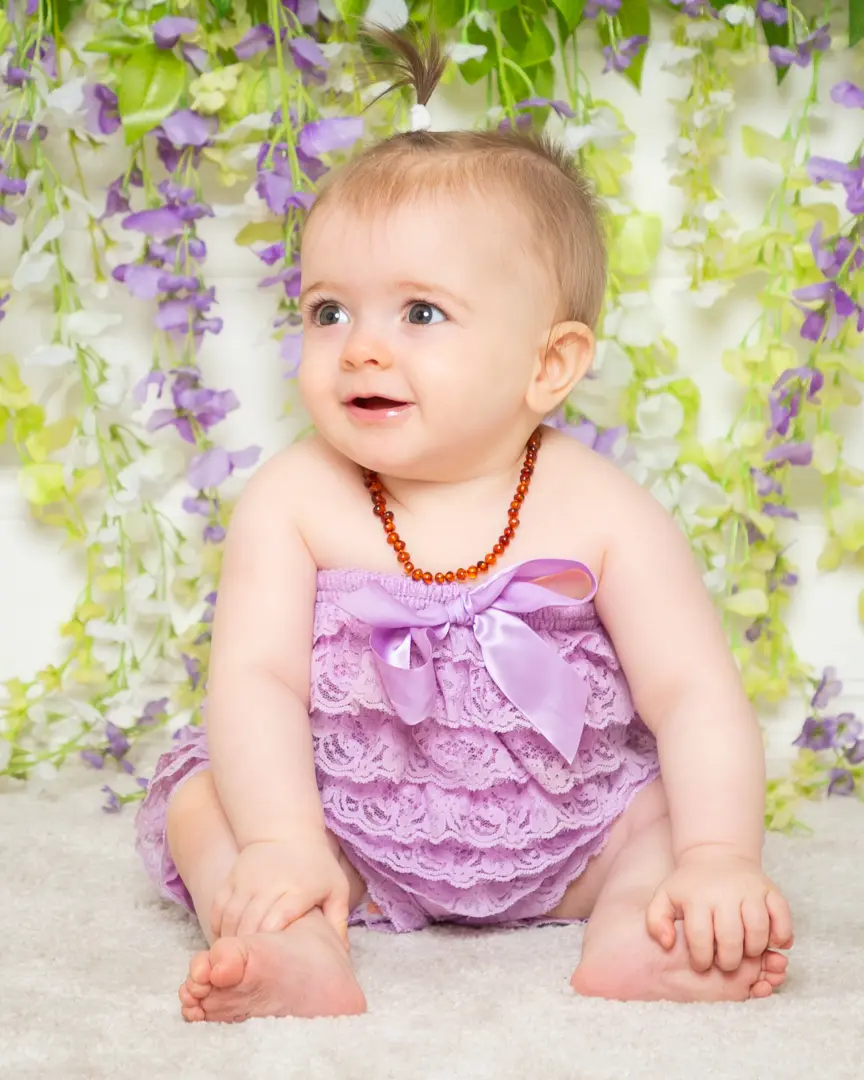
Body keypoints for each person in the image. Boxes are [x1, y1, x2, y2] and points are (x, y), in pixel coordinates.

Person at [134, 28, 793, 1024]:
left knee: (663, 814)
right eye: (327, 312)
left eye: (421, 315)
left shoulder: (602, 508)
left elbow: (695, 695)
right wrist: (281, 841)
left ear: (549, 365)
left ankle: (639, 927)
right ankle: (295, 936)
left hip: (572, 833)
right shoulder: (293, 499)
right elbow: (256, 679)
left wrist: (717, 857)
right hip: (344, 831)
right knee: (205, 800)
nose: (361, 350)